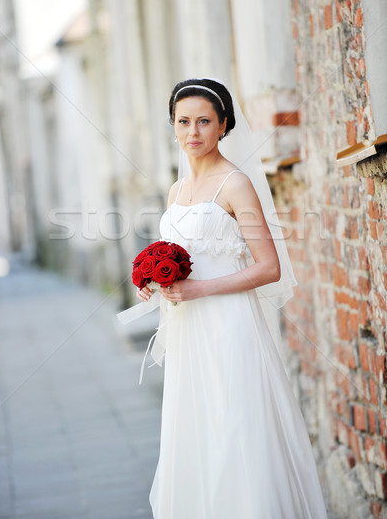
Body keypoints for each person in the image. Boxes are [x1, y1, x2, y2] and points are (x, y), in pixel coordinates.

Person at [119, 78, 328, 518]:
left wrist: (199, 289)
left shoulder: (235, 184)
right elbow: (184, 257)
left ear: (223, 125)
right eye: (183, 121)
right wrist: (152, 281)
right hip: (188, 330)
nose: (192, 131)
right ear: (173, 127)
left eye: (203, 121)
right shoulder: (176, 192)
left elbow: (268, 267)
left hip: (229, 325)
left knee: (234, 426)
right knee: (198, 430)